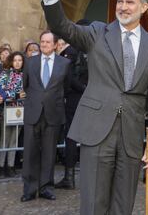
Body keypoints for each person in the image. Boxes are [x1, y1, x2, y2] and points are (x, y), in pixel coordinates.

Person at [41, 0, 148, 214]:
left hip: (131, 136)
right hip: (97, 131)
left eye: (130, 2)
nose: (123, 7)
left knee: (123, 205)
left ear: (143, 7)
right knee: (94, 204)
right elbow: (62, 27)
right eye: (120, 1)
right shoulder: (97, 33)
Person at [20, 31, 71, 202]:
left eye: (48, 42)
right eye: (42, 42)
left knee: (49, 153)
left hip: (53, 114)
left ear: (56, 44)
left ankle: (46, 188)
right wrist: (37, 99)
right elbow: (25, 85)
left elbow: (67, 87)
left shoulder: (65, 63)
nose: (44, 45)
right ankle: (29, 189)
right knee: (30, 154)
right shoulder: (30, 62)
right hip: (33, 113)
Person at [55, 19, 90, 190]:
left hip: (77, 98)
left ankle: (70, 178)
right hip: (88, 97)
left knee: (71, 137)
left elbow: (71, 78)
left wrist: (85, 90)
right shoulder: (90, 49)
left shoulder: (72, 50)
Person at [0, 51, 25, 178]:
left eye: (20, 60)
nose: (18, 63)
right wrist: (16, 95)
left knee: (14, 139)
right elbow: (1, 90)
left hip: (20, 110)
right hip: (7, 109)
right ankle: (1, 166)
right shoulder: (5, 74)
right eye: (15, 60)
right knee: (5, 138)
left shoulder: (26, 75)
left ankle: (11, 165)